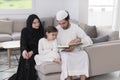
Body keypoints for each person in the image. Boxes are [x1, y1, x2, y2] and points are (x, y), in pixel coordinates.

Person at [56, 10, 93, 80]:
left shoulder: (75, 27)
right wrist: (64, 49)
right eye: (60, 23)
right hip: (64, 52)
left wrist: (78, 40)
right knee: (66, 58)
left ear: (68, 20)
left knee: (84, 55)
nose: (62, 25)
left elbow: (89, 40)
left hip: (76, 51)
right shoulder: (57, 29)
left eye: (63, 23)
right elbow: (55, 45)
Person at [8, 14, 44, 80]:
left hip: (38, 51)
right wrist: (24, 51)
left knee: (31, 60)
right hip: (27, 51)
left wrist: (32, 52)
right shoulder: (25, 31)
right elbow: (23, 43)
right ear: (30, 23)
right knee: (24, 57)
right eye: (34, 23)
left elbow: (42, 47)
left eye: (38, 22)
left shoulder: (42, 31)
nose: (37, 24)